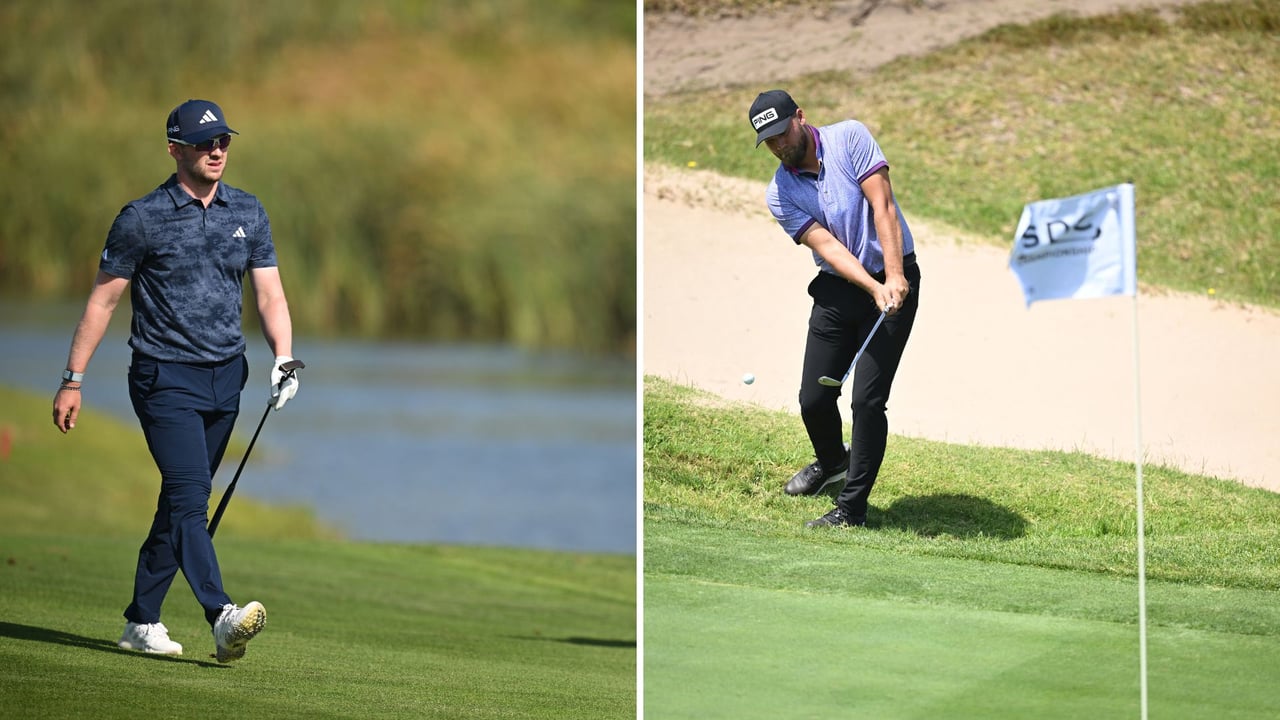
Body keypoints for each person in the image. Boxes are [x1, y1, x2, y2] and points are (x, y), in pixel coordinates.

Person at [51, 99, 300, 661]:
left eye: (223, 141)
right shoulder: (142, 218)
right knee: (191, 498)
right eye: (204, 143)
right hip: (164, 377)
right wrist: (73, 380)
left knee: (179, 499)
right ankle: (221, 615)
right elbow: (103, 302)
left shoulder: (248, 210)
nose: (216, 151)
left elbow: (270, 294)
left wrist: (284, 357)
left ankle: (142, 620)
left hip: (226, 377)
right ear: (175, 149)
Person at [749, 89, 920, 528]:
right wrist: (870, 286)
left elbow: (882, 206)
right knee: (814, 399)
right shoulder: (779, 193)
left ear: (800, 117)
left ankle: (851, 509)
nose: (779, 145)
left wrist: (893, 277)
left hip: (896, 277)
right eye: (769, 141)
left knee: (867, 401)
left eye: (782, 133)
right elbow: (828, 247)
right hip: (839, 288)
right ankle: (832, 462)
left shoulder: (850, 137)